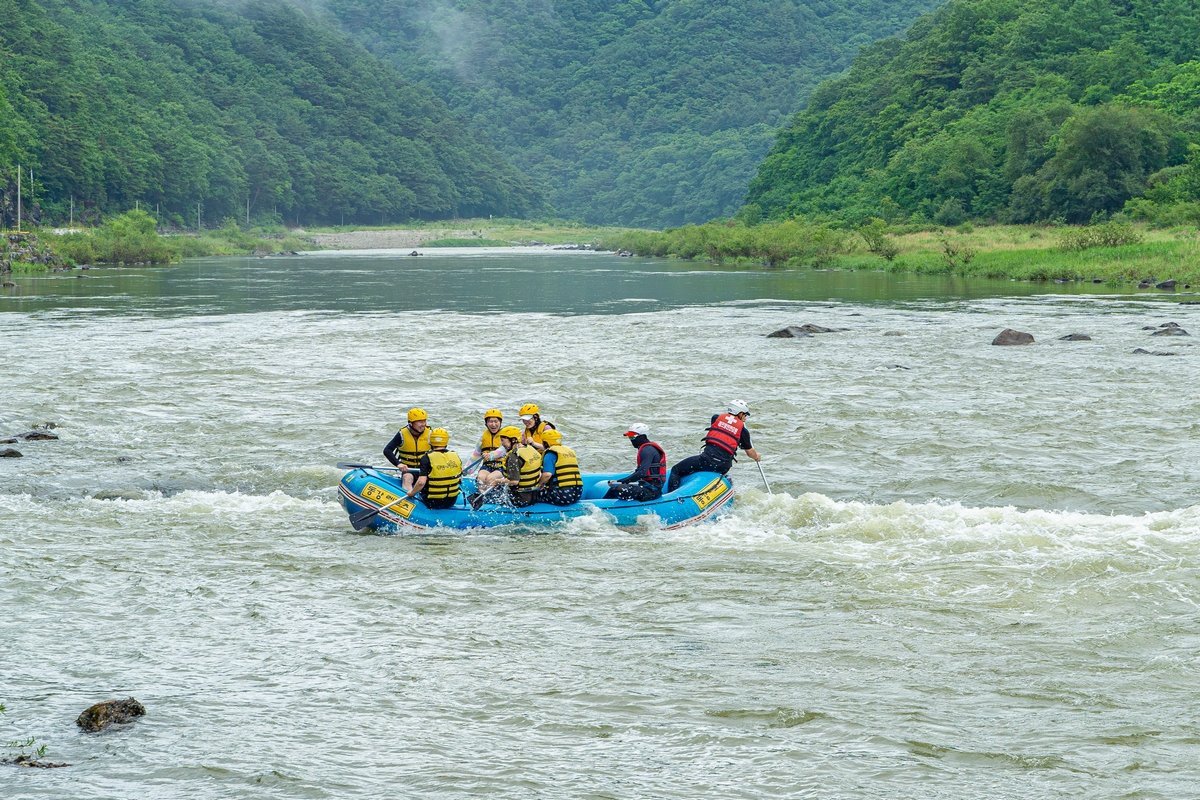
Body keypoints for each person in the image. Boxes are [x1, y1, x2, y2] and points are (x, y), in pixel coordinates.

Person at [666, 400, 761, 493]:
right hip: (723, 467)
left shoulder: (716, 418)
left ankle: (672, 494)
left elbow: (720, 428)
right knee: (721, 468)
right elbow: (750, 453)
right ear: (739, 414)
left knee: (676, 470)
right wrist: (756, 456)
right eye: (745, 415)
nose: (745, 418)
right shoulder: (743, 432)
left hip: (706, 461)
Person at [470, 425, 541, 509]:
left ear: (513, 440)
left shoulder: (513, 457)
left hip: (520, 499)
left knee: (492, 496)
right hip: (534, 495)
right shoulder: (530, 448)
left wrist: (497, 481)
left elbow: (514, 481)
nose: (501, 444)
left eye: (503, 441)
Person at [604, 423, 667, 501]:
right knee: (614, 489)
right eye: (629, 437)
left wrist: (620, 481)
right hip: (645, 486)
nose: (631, 440)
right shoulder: (645, 449)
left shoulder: (647, 450)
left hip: (652, 491)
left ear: (643, 436)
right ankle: (603, 506)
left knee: (619, 488)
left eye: (633, 437)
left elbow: (641, 473)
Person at [403, 427, 462, 509]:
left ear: (431, 441)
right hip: (451, 501)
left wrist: (411, 493)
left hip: (433, 502)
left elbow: (421, 482)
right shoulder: (455, 456)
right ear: (446, 441)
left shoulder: (426, 458)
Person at [384, 407, 431, 492]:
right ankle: (408, 501)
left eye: (424, 421)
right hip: (409, 470)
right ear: (411, 423)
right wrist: (398, 464)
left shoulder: (430, 434)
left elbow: (439, 452)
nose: (423, 424)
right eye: (420, 422)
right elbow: (387, 450)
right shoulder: (402, 434)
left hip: (425, 470)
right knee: (407, 478)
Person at [535, 428, 582, 506]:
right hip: (578, 493)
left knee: (533, 495)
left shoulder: (550, 454)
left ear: (546, 443)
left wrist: (539, 485)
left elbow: (547, 475)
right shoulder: (569, 451)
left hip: (562, 495)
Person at [472, 408, 508, 491]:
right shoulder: (483, 437)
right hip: (487, 466)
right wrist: (467, 470)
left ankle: (491, 496)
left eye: (496, 421)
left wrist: (491, 455)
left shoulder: (505, 436)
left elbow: (503, 449)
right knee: (481, 478)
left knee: (490, 478)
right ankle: (482, 496)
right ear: (486, 423)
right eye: (490, 421)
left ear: (500, 422)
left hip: (501, 467)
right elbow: (476, 455)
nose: (493, 424)